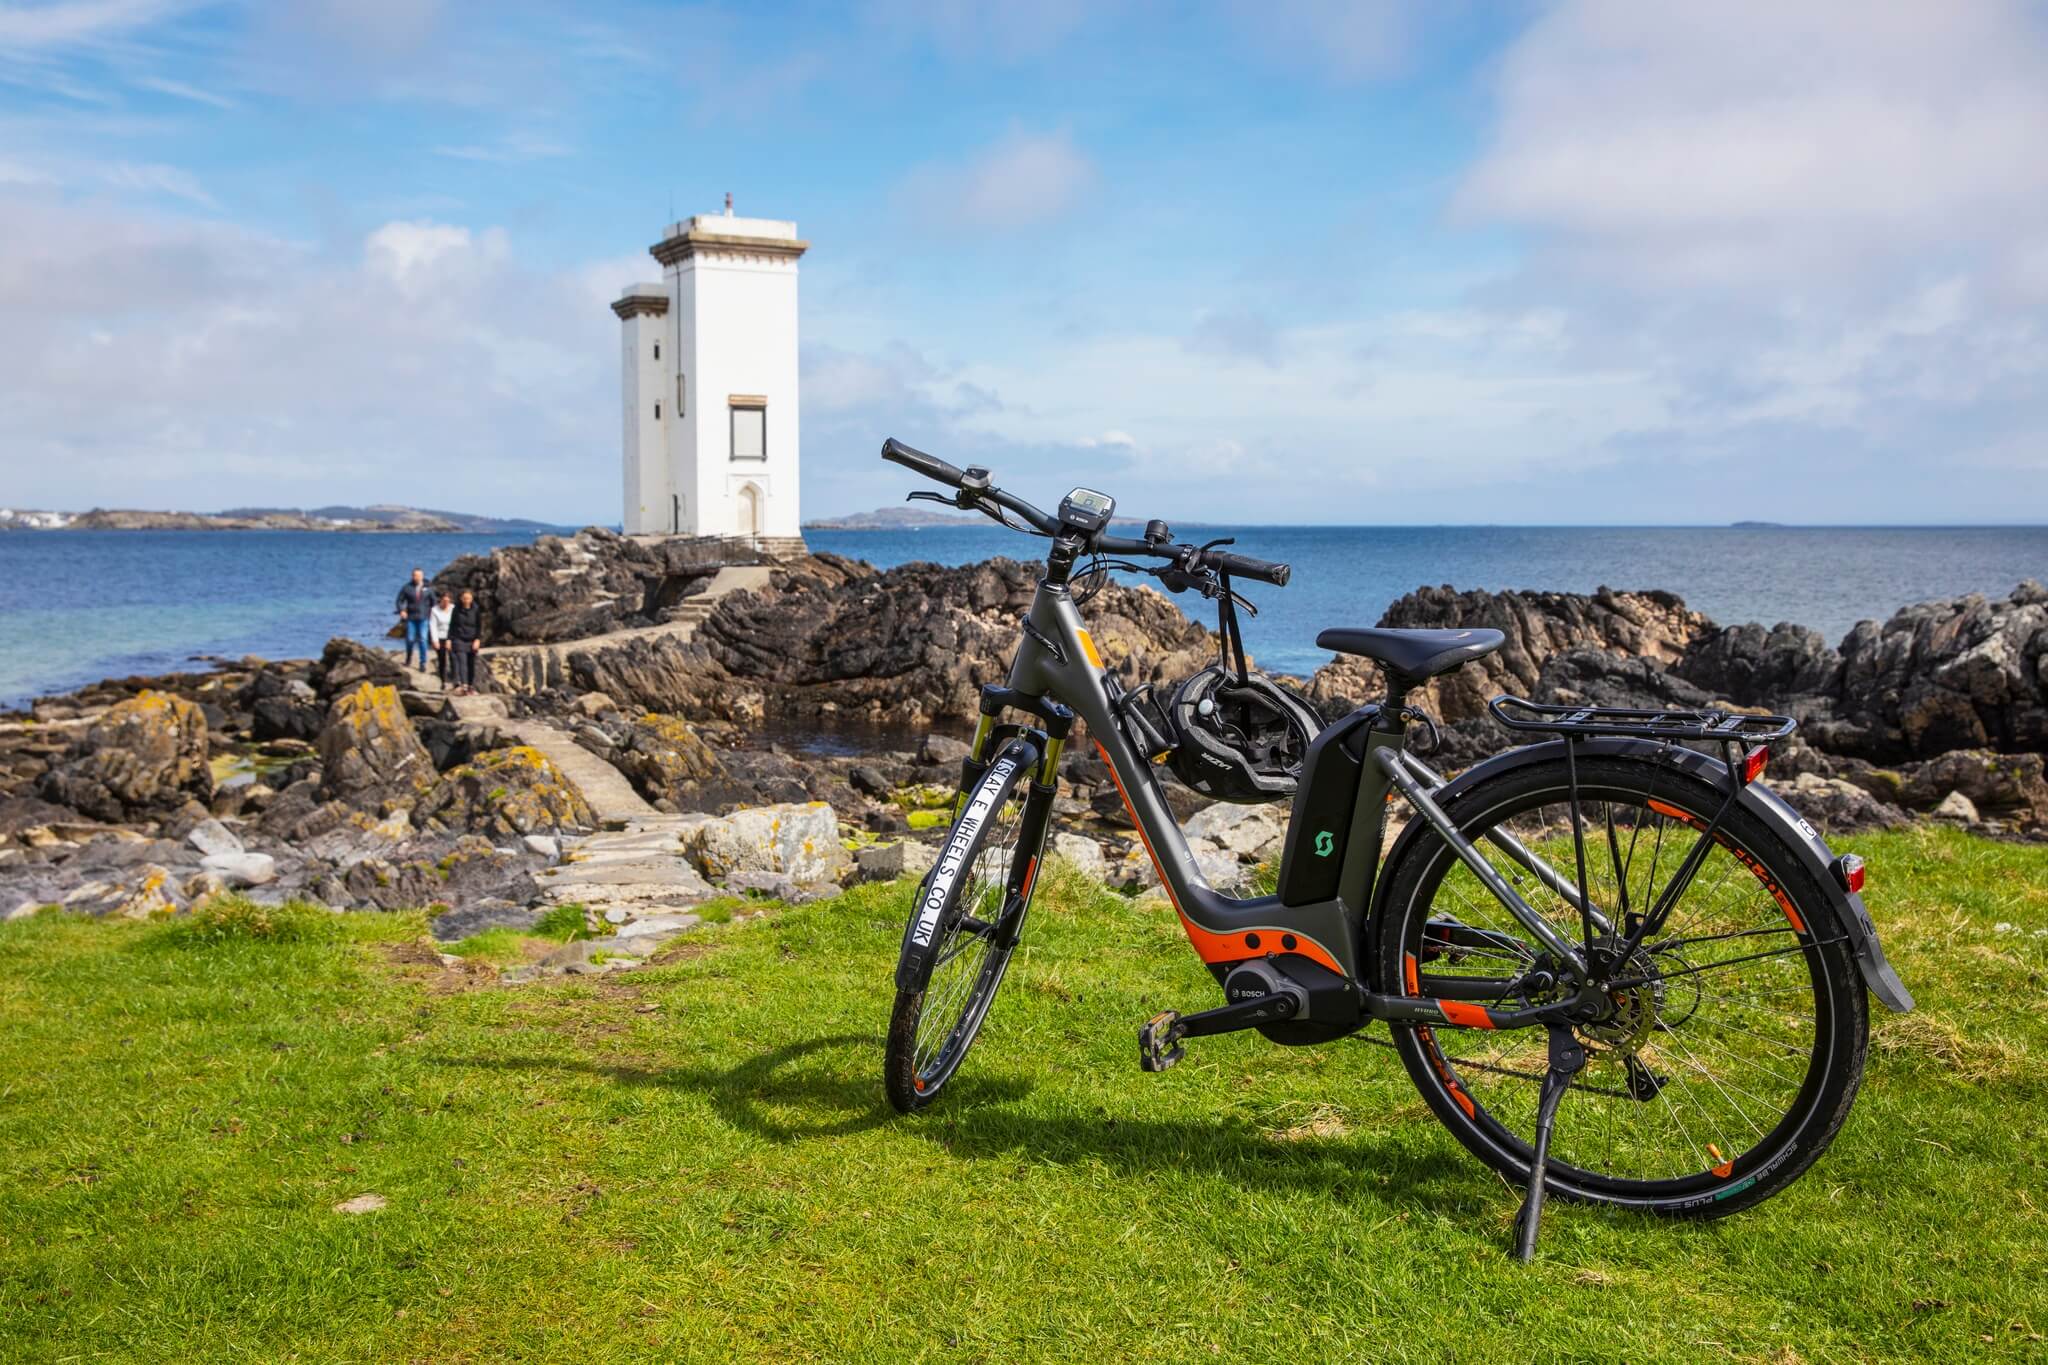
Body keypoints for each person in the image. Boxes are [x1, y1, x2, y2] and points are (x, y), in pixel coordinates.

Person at [395, 568, 434, 671]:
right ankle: (408, 658)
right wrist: (402, 610)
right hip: (411, 618)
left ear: (422, 576)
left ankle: (423, 662)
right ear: (412, 576)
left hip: (424, 617)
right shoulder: (407, 588)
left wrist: (432, 614)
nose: (416, 577)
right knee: (410, 640)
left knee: (423, 639)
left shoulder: (428, 588)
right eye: (414, 575)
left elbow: (433, 602)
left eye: (418, 575)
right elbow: (399, 600)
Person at [448, 588, 484, 694]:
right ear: (461, 598)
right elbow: (452, 625)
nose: (466, 600)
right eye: (464, 598)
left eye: (468, 598)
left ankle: (470, 685)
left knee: (471, 663)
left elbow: (479, 626)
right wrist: (449, 639)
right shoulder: (456, 609)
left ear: (472, 599)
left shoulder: (476, 610)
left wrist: (477, 639)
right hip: (459, 639)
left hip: (472, 639)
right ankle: (464, 685)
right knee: (462, 662)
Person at [428, 590, 454, 689]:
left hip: (451, 636)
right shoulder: (435, 610)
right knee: (442, 659)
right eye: (444, 601)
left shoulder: (453, 609)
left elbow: (455, 625)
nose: (446, 603)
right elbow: (433, 626)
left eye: (448, 601)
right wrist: (435, 640)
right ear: (441, 600)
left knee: (454, 658)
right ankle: (443, 681)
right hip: (440, 636)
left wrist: (450, 639)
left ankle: (455, 680)